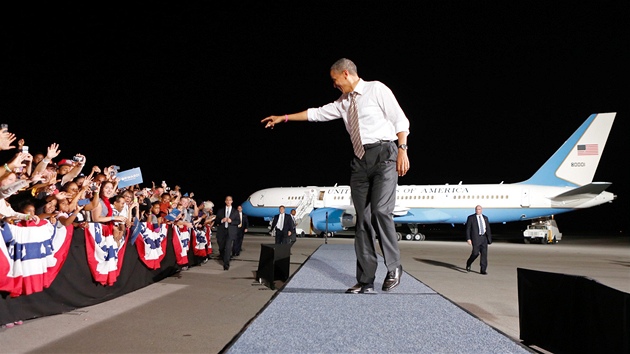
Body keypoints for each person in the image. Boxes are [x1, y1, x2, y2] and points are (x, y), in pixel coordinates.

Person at [261, 58, 410, 293]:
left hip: (385, 154)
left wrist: (402, 149)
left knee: (381, 211)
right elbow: (316, 114)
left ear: (346, 74)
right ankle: (366, 280)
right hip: (360, 162)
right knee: (362, 221)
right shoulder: (344, 103)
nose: (334, 85)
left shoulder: (376, 89)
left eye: (335, 80)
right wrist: (284, 118)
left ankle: (394, 266)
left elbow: (400, 119)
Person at [465, 205, 492, 275]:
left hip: (484, 238)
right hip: (476, 238)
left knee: (484, 255)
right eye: (477, 209)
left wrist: (489, 239)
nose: (478, 210)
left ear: (481, 210)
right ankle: (469, 262)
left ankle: (483, 270)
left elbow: (488, 229)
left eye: (479, 209)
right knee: (475, 253)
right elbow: (468, 229)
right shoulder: (471, 218)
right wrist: (468, 238)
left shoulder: (485, 218)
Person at [215, 195, 239, 270]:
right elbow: (216, 221)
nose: (228, 201)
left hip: (230, 232)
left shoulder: (235, 212)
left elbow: (238, 221)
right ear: (225, 201)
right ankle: (223, 256)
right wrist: (222, 220)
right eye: (227, 200)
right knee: (222, 247)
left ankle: (226, 264)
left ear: (232, 201)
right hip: (222, 231)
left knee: (228, 247)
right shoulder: (220, 211)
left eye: (230, 200)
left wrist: (231, 221)